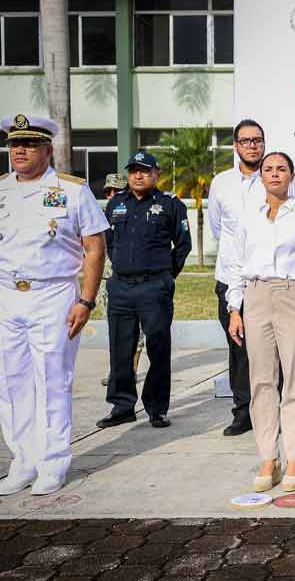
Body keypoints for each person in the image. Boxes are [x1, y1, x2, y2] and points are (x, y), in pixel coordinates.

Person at [0, 114, 107, 496]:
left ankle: (53, 462)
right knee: (10, 383)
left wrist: (86, 299)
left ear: (47, 150)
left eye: (28, 144)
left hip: (54, 295)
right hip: (6, 296)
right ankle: (23, 460)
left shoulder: (72, 191)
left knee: (52, 380)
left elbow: (95, 248)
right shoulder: (1, 190)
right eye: (14, 144)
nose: (20, 151)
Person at [225, 152, 295, 493]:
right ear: (260, 177)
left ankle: (294, 457)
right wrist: (235, 308)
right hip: (255, 297)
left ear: (291, 175)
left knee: (294, 380)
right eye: (268, 169)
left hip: (293, 294)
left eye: (281, 169)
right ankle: (269, 458)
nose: (274, 174)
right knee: (261, 381)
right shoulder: (248, 217)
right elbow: (237, 265)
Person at [209, 119, 295, 436]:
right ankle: (243, 412)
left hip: (273, 281)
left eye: (257, 140)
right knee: (239, 348)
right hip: (234, 279)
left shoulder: (278, 178)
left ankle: (274, 411)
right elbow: (220, 230)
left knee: (274, 349)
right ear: (235, 146)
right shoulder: (221, 184)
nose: (252, 146)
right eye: (246, 141)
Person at [97, 151, 191, 429]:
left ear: (156, 174)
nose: (138, 175)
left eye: (145, 170)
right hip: (121, 287)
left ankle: (157, 408)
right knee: (120, 347)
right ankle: (122, 405)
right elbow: (109, 242)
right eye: (134, 170)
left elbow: (183, 245)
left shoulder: (170, 204)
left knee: (158, 347)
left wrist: (164, 275)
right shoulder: (115, 205)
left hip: (155, 287)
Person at [98, 173, 145, 388]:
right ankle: (117, 369)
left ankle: (131, 370)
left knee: (137, 331)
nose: (112, 195)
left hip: (134, 280)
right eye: (108, 191)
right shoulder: (98, 216)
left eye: (117, 191)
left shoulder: (137, 214)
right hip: (108, 279)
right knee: (115, 329)